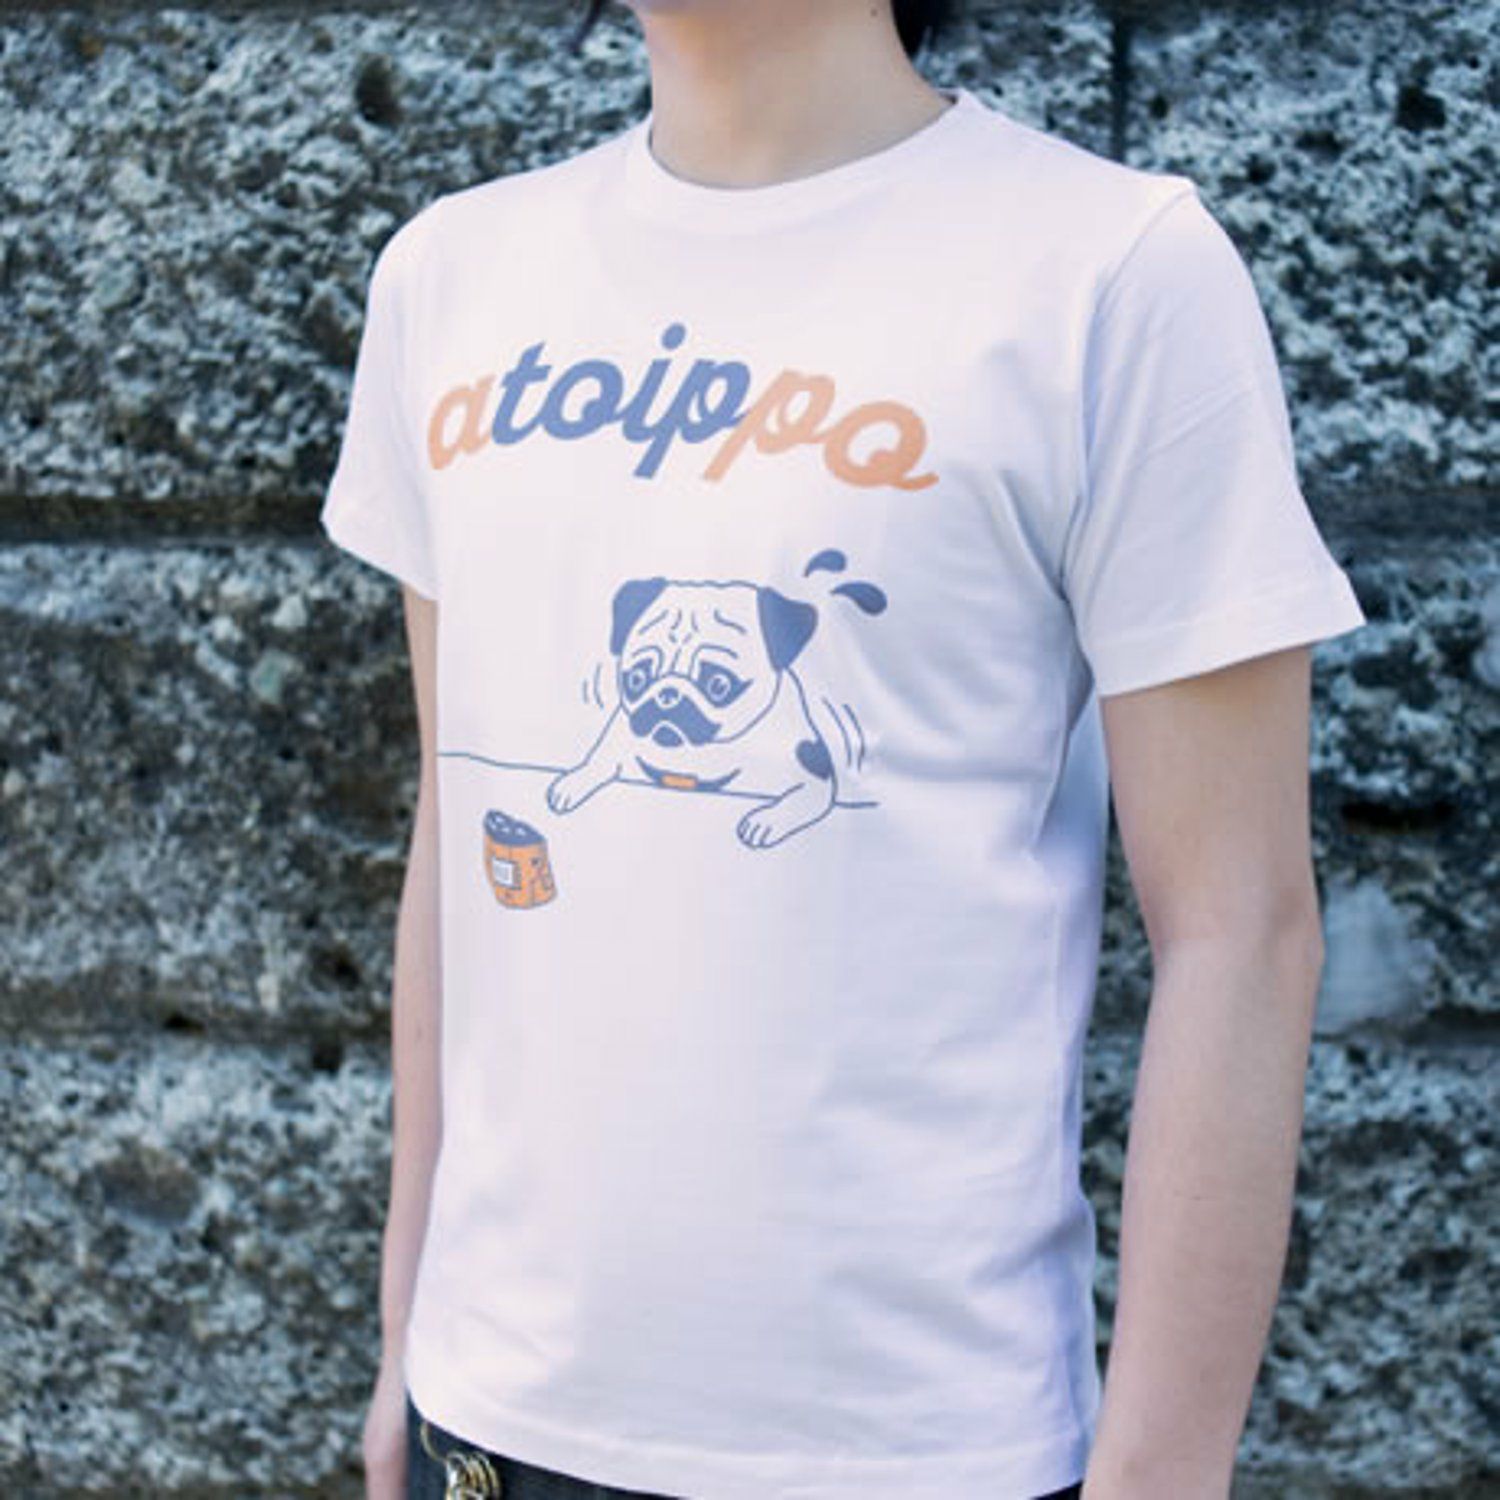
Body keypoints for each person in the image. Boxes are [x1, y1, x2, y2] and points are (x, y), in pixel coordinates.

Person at [320, 0, 1367, 1496]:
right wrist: (402, 1339)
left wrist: (1160, 1476)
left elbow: (1244, 928)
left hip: (920, 1446)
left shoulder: (1113, 269)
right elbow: (465, 822)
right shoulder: (450, 277)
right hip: (487, 1421)